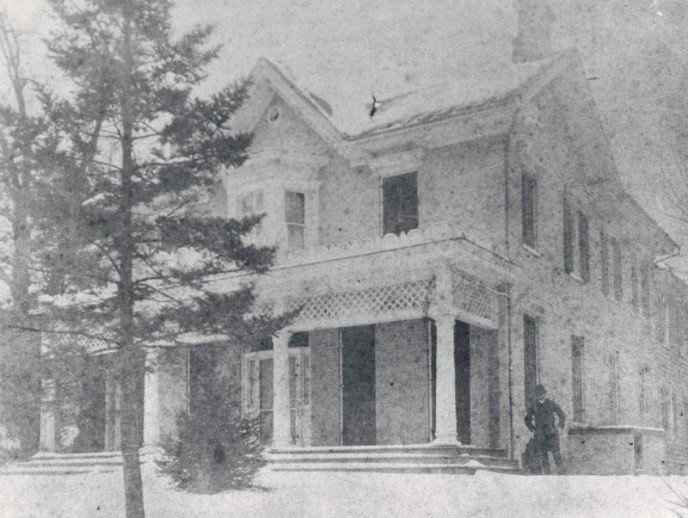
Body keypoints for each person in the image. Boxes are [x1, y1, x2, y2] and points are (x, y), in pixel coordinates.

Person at [524, 384, 566, 474]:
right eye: (538, 394)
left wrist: (560, 426)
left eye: (542, 393)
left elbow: (562, 414)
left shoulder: (551, 403)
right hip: (540, 434)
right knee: (543, 455)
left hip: (552, 433)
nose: (541, 395)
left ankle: (562, 474)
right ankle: (547, 475)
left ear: (544, 394)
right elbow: (527, 419)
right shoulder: (534, 406)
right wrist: (532, 429)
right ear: (536, 395)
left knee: (556, 454)